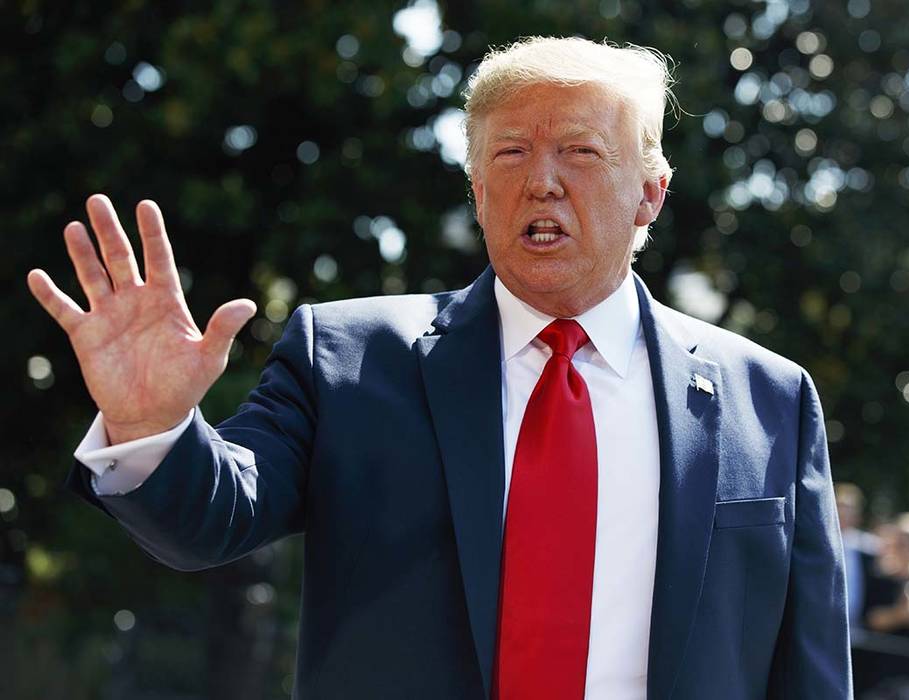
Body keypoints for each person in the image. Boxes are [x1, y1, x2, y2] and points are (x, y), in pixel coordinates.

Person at [26, 36, 851, 699]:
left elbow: (809, 664)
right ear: (477, 190)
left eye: (581, 152)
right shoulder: (347, 357)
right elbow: (210, 521)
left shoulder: (768, 397)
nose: (542, 182)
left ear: (650, 194)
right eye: (510, 153)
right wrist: (151, 424)